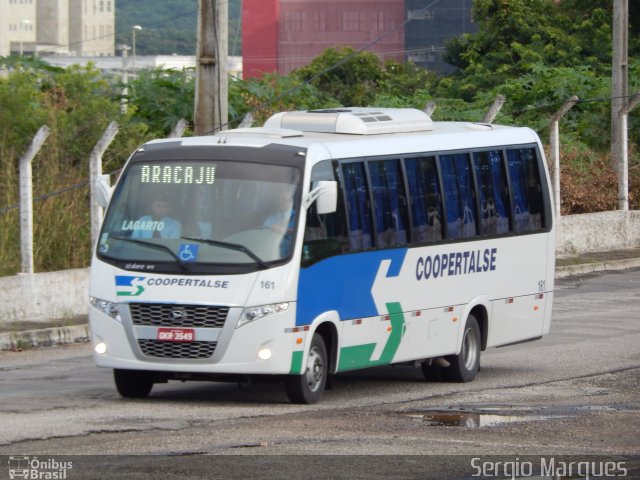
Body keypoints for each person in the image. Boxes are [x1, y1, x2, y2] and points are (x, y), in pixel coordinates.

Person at [264, 190, 295, 256]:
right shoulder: (270, 218)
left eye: (283, 200)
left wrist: (284, 230)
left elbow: (302, 233)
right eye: (278, 200)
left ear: (290, 201)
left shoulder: (298, 217)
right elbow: (262, 233)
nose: (280, 202)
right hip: (267, 254)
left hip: (289, 257)